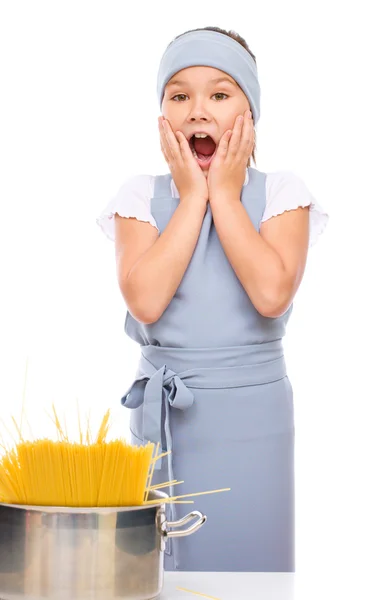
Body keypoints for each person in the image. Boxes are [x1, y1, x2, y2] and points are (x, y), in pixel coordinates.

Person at [97, 26, 329, 573]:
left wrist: (224, 194)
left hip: (255, 420)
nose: (198, 110)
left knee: (252, 565)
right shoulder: (139, 195)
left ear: (250, 112)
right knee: (161, 569)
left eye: (220, 94)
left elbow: (271, 294)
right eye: (179, 96)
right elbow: (146, 301)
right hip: (167, 421)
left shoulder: (281, 193)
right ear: (162, 116)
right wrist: (193, 197)